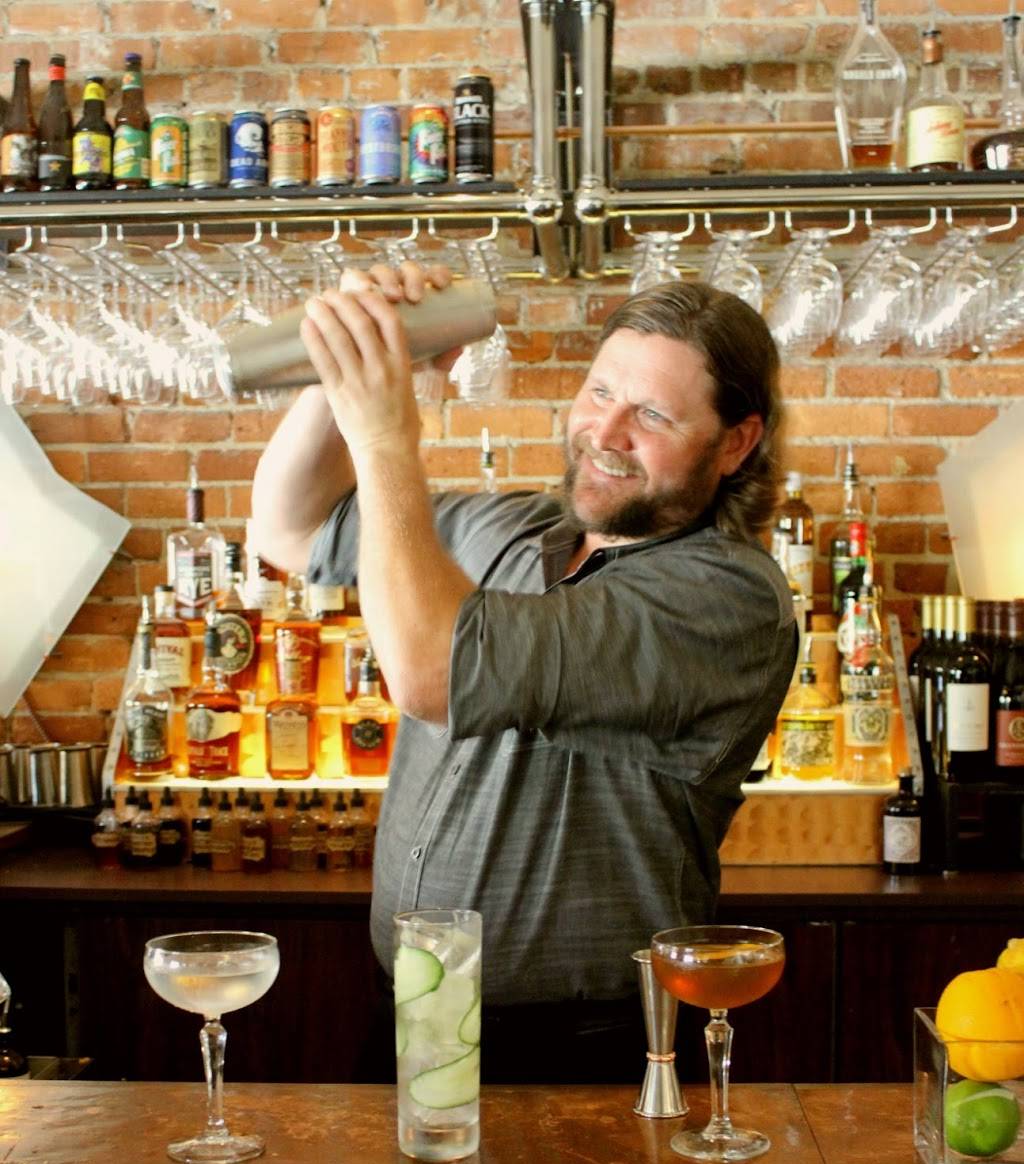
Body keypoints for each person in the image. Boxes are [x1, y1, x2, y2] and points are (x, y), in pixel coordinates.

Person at [251, 262, 797, 1083]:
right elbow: (288, 529)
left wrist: (386, 436)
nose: (606, 432)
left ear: (735, 443)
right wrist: (352, 358)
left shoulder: (724, 598)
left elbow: (431, 674)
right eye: (600, 392)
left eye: (651, 414)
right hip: (417, 1008)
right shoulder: (511, 528)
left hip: (580, 1048)